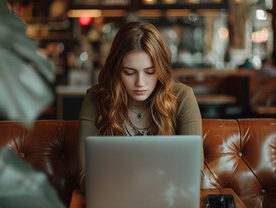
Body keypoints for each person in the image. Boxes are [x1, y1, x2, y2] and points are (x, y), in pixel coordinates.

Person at [77, 22, 203, 193]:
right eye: (129, 72)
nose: (140, 83)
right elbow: (85, 176)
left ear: (161, 69)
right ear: (115, 70)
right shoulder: (96, 98)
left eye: (150, 71)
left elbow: (195, 176)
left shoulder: (182, 97)